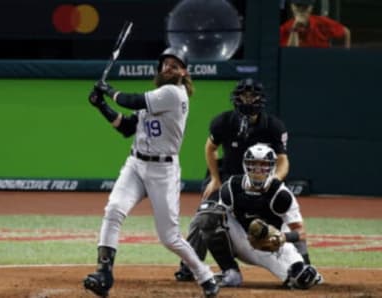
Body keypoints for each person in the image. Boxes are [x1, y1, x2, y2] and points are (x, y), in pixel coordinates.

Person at [82, 47, 220, 298]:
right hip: (136, 165)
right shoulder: (156, 95)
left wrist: (108, 90)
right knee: (114, 209)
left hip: (163, 171)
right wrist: (101, 105)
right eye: (166, 63)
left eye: (175, 65)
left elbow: (130, 100)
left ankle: (205, 275)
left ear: (183, 72)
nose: (169, 67)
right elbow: (126, 127)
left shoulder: (173, 94)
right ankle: (104, 274)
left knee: (169, 237)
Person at [175, 77, 309, 283]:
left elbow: (283, 160)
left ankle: (305, 263)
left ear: (260, 99)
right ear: (236, 98)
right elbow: (210, 149)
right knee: (205, 214)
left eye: (252, 95)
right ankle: (190, 266)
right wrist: (214, 179)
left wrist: (273, 182)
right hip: (228, 179)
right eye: (244, 95)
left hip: (262, 182)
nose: (247, 100)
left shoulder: (274, 126)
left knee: (284, 216)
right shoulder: (223, 121)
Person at [189, 143, 324, 289]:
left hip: (273, 245)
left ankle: (301, 269)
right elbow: (212, 219)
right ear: (245, 166)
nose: (258, 169)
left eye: (263, 165)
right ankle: (230, 271)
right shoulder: (232, 187)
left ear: (272, 167)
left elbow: (300, 232)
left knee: (303, 279)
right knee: (208, 215)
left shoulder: (281, 195)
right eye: (253, 164)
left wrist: (283, 238)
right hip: (242, 240)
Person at [280, 0, 351, 48]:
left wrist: (345, 56)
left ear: (311, 8)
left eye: (305, 7)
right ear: (292, 7)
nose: (301, 10)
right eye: (298, 6)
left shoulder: (322, 22)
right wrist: (295, 28)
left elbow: (346, 31)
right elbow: (291, 56)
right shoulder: (284, 29)